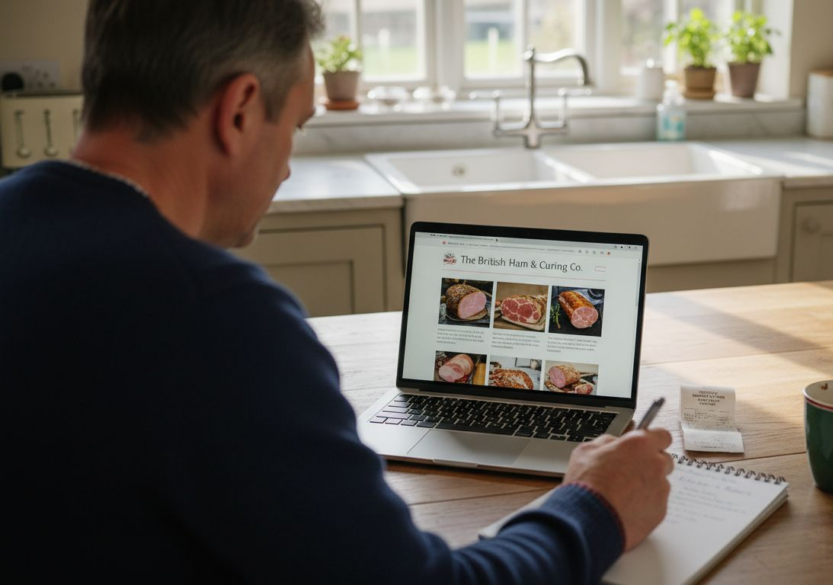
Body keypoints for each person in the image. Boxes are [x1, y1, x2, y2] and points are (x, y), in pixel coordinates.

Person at [0, 1, 674, 583]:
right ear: (237, 111)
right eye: (294, 125)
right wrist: (594, 502)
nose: (289, 164)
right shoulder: (215, 316)